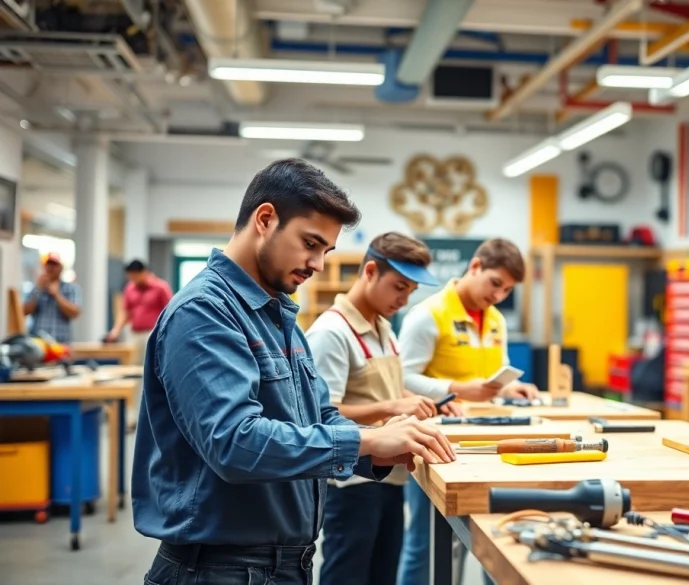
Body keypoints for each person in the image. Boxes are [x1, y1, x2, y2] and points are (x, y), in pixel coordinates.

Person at [132, 158, 456, 585]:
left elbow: (319, 415)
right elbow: (233, 441)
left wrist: (376, 450)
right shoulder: (204, 312)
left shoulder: (277, 314)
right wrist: (365, 437)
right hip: (218, 570)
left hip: (282, 565)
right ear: (265, 219)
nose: (319, 263)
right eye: (310, 243)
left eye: (326, 250)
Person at [306, 231, 463, 585]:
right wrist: (393, 404)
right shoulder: (332, 332)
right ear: (371, 271)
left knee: (382, 573)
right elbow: (320, 415)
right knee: (348, 573)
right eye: (399, 287)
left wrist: (426, 402)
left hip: (388, 474)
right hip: (350, 480)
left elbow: (386, 384)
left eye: (410, 291)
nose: (404, 300)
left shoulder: (384, 329)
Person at [396, 237, 539, 585]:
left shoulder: (495, 321)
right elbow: (402, 378)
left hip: (488, 441)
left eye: (506, 290)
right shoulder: (427, 314)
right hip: (435, 441)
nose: (499, 296)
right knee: (424, 543)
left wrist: (508, 387)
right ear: (475, 267)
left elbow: (495, 373)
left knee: (495, 537)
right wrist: (456, 389)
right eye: (495, 284)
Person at [105, 259, 173, 362]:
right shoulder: (130, 288)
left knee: (151, 363)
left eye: (135, 276)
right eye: (130, 277)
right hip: (134, 333)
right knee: (132, 363)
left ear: (144, 272)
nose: (133, 279)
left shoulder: (161, 287)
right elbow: (125, 312)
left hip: (152, 332)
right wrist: (116, 330)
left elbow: (169, 311)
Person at [23, 252, 81, 344]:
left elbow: (75, 313)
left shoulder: (70, 289)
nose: (51, 268)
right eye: (49, 264)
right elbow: (24, 311)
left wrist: (57, 295)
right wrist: (38, 290)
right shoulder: (36, 288)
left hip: (61, 342)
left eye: (54, 265)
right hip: (39, 343)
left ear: (60, 268)